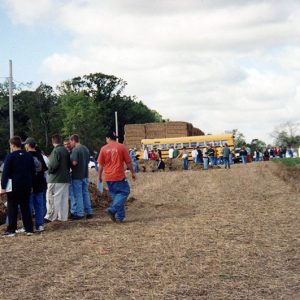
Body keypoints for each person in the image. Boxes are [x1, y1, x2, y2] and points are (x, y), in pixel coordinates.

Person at [98, 131, 136, 223]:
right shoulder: (121, 147)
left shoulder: (103, 149)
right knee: (124, 192)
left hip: (109, 177)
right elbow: (128, 162)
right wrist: (132, 172)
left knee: (117, 197)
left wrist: (99, 176)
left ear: (108, 138)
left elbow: (101, 165)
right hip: (119, 176)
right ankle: (112, 209)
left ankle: (120, 217)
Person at [1, 136, 34, 236]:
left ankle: (11, 229)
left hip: (14, 186)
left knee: (12, 207)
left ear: (13, 145)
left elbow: (5, 173)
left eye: (10, 145)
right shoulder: (28, 156)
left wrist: (3, 186)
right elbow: (32, 171)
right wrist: (31, 184)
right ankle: (29, 229)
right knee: (25, 207)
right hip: (26, 185)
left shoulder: (10, 156)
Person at [44, 134, 70, 222]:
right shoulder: (65, 150)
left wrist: (49, 171)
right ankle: (63, 217)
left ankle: (50, 217)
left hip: (56, 179)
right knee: (63, 199)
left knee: (51, 197)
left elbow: (53, 165)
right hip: (65, 178)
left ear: (52, 142)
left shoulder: (56, 151)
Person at [24, 138, 48, 232]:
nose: (25, 146)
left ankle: (28, 226)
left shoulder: (26, 156)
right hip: (40, 183)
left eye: (25, 144)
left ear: (28, 145)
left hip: (30, 184)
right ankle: (40, 225)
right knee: (39, 205)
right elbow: (45, 168)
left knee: (28, 206)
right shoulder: (40, 155)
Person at [70, 134, 93, 219]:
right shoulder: (85, 148)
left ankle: (79, 213)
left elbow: (74, 162)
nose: (70, 144)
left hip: (77, 176)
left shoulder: (76, 150)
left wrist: (69, 163)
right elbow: (87, 161)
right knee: (85, 193)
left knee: (78, 195)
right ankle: (89, 212)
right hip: (85, 174)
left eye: (70, 142)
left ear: (73, 140)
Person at [63, 138, 75, 218]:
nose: (67, 145)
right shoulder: (63, 153)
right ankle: (67, 211)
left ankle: (73, 211)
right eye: (65, 144)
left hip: (71, 175)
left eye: (68, 144)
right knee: (66, 195)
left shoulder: (73, 152)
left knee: (71, 194)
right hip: (65, 176)